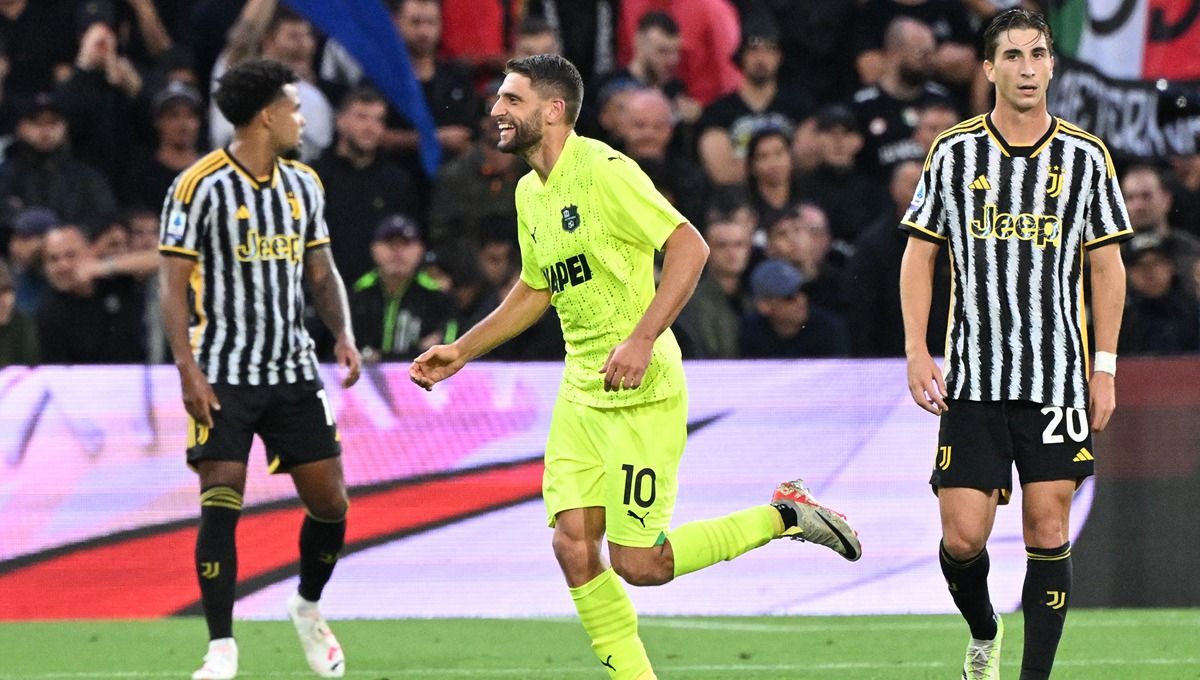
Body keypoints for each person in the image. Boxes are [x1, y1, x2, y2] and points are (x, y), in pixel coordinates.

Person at [409, 54, 861, 680]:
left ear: (553, 110)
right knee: (572, 546)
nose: (496, 111)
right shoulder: (527, 190)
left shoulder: (605, 172)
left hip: (642, 393)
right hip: (582, 392)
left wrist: (644, 337)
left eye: (511, 100)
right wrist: (464, 349)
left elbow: (690, 247)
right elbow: (537, 287)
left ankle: (785, 515)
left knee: (638, 564)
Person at [898, 10, 1131, 680]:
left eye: (1038, 55)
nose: (1028, 68)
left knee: (1047, 531)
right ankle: (982, 629)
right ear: (989, 68)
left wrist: (1105, 366)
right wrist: (917, 349)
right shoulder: (955, 151)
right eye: (1013, 56)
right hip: (972, 377)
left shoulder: (1085, 157)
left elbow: (1107, 264)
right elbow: (921, 254)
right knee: (963, 537)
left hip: (1056, 378)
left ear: (1053, 65)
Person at [158, 58, 361, 680]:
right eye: (295, 108)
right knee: (221, 497)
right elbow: (171, 288)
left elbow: (320, 273)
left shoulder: (305, 185)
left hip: (293, 368)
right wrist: (187, 368)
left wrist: (343, 335)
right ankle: (221, 647)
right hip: (222, 369)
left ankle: (306, 606)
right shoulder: (198, 186)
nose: (302, 120)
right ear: (268, 115)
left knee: (330, 503)